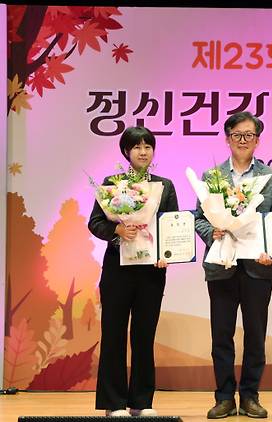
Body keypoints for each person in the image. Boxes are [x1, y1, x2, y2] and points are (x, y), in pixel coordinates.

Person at [195, 111, 272, 419]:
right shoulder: (211, 177)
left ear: (258, 141)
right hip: (221, 265)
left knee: (255, 335)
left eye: (249, 135)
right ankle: (223, 397)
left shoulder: (271, 178)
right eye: (237, 135)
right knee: (221, 334)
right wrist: (213, 232)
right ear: (228, 138)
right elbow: (199, 219)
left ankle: (250, 396)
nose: (243, 140)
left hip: (258, 266)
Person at [89, 126, 179, 417]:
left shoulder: (164, 186)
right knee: (113, 334)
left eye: (148, 146)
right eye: (137, 146)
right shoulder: (112, 184)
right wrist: (116, 229)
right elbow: (94, 223)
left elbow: (172, 224)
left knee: (144, 336)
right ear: (126, 152)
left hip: (152, 271)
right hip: (118, 269)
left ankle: (141, 402)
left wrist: (168, 254)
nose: (143, 151)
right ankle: (113, 403)